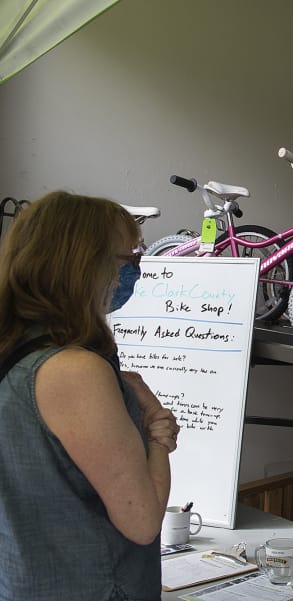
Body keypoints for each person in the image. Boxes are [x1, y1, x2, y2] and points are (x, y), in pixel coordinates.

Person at [0, 191, 180, 601]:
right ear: (84, 264)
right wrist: (158, 433)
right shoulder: (75, 370)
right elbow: (143, 519)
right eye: (128, 259)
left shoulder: (16, 349)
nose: (135, 271)